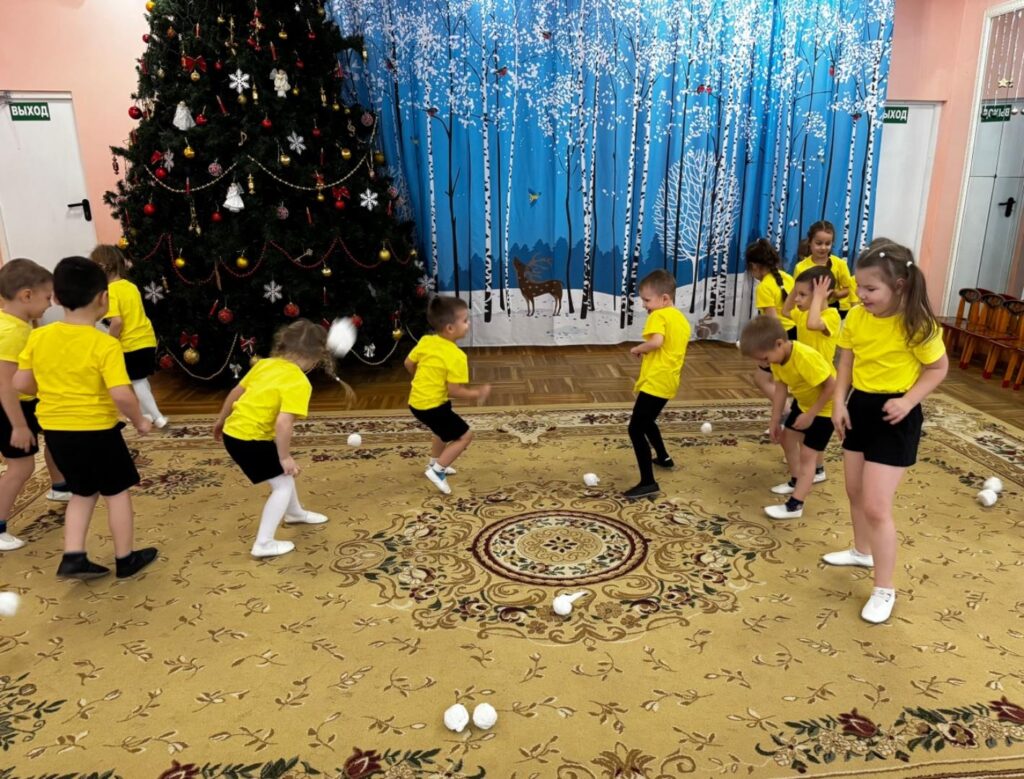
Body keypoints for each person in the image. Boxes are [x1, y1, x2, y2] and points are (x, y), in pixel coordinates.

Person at [828, 240, 948, 624]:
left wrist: (909, 401)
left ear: (899, 286)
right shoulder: (856, 317)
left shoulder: (918, 324)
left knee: (877, 506)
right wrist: (838, 403)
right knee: (854, 490)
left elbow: (938, 368)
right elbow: (846, 362)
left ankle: (884, 588)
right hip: (859, 407)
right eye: (858, 287)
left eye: (870, 288)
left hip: (896, 416)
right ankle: (861, 551)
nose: (861, 295)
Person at [14, 257, 156, 579]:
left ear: (57, 298)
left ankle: (74, 556)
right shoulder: (104, 344)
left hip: (57, 433)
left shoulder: (38, 338)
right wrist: (139, 420)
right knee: (116, 492)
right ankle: (126, 558)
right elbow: (121, 395)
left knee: (81, 492)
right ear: (103, 298)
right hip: (97, 433)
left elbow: (21, 383)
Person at [214, 319, 348, 558]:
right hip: (250, 440)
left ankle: (294, 513)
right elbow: (283, 423)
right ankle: (264, 543)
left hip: (233, 432)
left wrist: (221, 420)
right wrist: (284, 457)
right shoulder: (299, 382)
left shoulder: (264, 364)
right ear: (315, 357)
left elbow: (236, 393)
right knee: (282, 486)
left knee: (282, 476)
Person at [0, 260, 73, 552]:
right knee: (21, 466)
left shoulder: (14, 324)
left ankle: (60, 486)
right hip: (9, 409)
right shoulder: (12, 333)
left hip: (27, 402)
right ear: (26, 295)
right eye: (47, 297)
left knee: (53, 434)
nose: (51, 304)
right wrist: (18, 426)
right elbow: (5, 385)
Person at [740, 316, 835, 519]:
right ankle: (796, 480)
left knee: (808, 455)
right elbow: (781, 389)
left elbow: (831, 386)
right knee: (786, 439)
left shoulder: (806, 358)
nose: (763, 363)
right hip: (803, 404)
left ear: (779, 343)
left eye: (764, 358)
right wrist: (775, 420)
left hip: (825, 410)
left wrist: (811, 414)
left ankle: (795, 506)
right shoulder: (777, 359)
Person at [405, 296, 490, 495]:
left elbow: (408, 363)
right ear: (450, 328)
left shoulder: (426, 341)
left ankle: (433, 461)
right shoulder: (456, 356)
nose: (468, 324)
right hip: (432, 406)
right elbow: (455, 391)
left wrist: (423, 379)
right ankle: (437, 470)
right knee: (465, 436)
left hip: (416, 401)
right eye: (465, 321)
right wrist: (477, 393)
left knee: (441, 431)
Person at [624, 270, 691, 499]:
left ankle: (648, 482)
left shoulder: (658, 315)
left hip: (656, 380)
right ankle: (663, 457)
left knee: (635, 428)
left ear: (664, 298)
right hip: (669, 379)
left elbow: (656, 341)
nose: (644, 305)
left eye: (647, 300)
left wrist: (638, 348)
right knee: (647, 421)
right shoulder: (680, 319)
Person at [90, 245, 167, 428]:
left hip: (131, 344)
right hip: (146, 339)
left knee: (136, 382)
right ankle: (145, 414)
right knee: (141, 379)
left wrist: (110, 340)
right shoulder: (130, 286)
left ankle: (157, 417)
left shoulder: (111, 292)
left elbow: (117, 322)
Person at [779, 265, 843, 486]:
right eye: (797, 294)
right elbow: (785, 311)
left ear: (822, 295)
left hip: (823, 384)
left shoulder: (831, 316)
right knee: (800, 435)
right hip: (805, 384)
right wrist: (797, 288)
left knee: (812, 437)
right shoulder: (803, 312)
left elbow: (813, 324)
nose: (797, 299)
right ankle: (813, 470)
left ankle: (814, 471)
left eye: (803, 295)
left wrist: (818, 297)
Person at [744, 239, 795, 402]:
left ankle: (785, 410)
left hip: (781, 337)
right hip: (795, 334)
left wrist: (769, 349)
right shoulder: (787, 278)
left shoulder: (764, 287)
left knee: (762, 379)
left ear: (754, 266)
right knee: (781, 379)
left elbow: (773, 322)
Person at [793, 221, 859, 318]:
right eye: (819, 243)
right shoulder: (800, 267)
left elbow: (849, 288)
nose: (823, 247)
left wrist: (837, 294)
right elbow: (796, 292)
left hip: (832, 307)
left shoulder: (839, 264)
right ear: (810, 242)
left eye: (828, 243)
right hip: (807, 308)